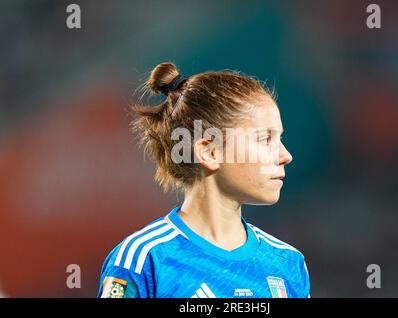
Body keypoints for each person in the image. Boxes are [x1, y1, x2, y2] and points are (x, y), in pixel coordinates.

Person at [98, 62, 310, 298]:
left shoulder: (288, 264)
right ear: (210, 152)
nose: (285, 156)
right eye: (265, 139)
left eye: (279, 139)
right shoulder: (145, 260)